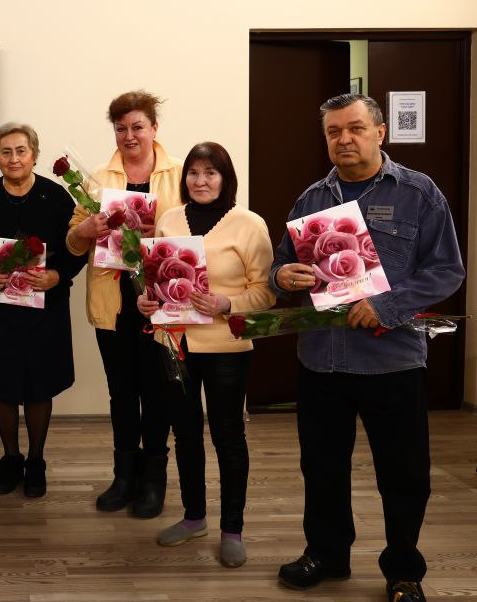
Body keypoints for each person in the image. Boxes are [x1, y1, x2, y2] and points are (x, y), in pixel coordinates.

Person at [271, 94, 464, 602]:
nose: (344, 139)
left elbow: (447, 270)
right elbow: (281, 263)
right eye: (334, 131)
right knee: (322, 468)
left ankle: (403, 571)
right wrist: (282, 275)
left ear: (380, 132)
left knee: (404, 475)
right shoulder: (311, 199)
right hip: (321, 361)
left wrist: (388, 305)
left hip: (391, 361)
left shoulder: (419, 194)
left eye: (355, 128)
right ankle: (327, 554)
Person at [136, 142, 274, 568]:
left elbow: (266, 292)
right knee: (185, 434)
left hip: (226, 347)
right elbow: (154, 280)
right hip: (173, 343)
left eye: (210, 173)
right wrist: (146, 301)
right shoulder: (169, 219)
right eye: (194, 173)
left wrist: (226, 303)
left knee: (228, 435)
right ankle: (194, 516)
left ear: (225, 178)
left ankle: (233, 529)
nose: (200, 181)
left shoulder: (249, 224)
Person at [66, 91, 182, 517]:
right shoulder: (97, 177)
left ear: (154, 128)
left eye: (137, 127)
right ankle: (124, 476)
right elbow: (72, 240)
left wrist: (160, 237)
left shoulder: (179, 173)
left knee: (157, 392)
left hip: (162, 302)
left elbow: (196, 233)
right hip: (113, 303)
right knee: (121, 393)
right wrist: (87, 230)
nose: (129, 135)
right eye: (121, 128)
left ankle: (154, 480)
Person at [0, 123, 86, 497]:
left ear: (34, 154)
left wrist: (57, 275)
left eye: (21, 150)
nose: (14, 158)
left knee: (39, 386)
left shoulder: (57, 197)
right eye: (6, 152)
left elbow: (78, 248)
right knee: (2, 387)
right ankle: (10, 458)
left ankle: (36, 460)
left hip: (45, 308)